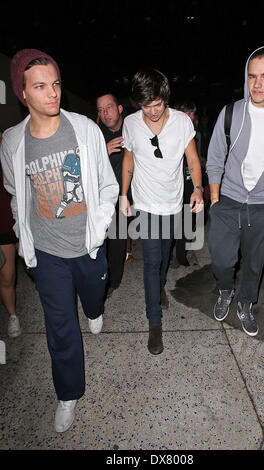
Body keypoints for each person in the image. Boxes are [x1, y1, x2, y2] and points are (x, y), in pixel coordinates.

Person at [0, 49, 119, 432]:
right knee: (60, 326)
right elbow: (18, 194)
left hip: (86, 243)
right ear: (23, 93)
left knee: (94, 294)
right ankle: (68, 393)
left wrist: (98, 230)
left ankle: (95, 307)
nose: (52, 93)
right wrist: (23, 236)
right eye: (40, 86)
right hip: (48, 251)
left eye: (56, 84)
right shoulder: (13, 143)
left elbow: (106, 185)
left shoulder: (84, 129)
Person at [206, 46, 264, 337]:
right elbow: (214, 159)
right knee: (221, 259)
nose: (257, 84)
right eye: (251, 76)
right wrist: (214, 201)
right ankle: (225, 290)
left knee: (255, 264)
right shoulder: (232, 112)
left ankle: (245, 303)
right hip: (228, 201)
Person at [121, 68, 204, 355]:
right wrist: (124, 194)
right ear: (138, 103)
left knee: (164, 255)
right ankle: (154, 323)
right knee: (151, 261)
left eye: (157, 105)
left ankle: (159, 289)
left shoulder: (181, 122)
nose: (153, 111)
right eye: (146, 106)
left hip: (173, 203)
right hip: (145, 203)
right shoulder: (131, 124)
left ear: (165, 99)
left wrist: (197, 188)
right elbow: (128, 159)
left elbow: (192, 159)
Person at [96, 93, 133, 297]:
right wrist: (103, 151)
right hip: (110, 196)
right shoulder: (96, 135)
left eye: (109, 107)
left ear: (119, 108)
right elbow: (85, 167)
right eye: (101, 110)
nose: (105, 113)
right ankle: (112, 281)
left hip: (139, 191)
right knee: (113, 237)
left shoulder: (133, 126)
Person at [173, 100, 203, 266]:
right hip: (175, 184)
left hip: (191, 184)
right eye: (187, 113)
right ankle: (170, 253)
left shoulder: (196, 135)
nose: (190, 116)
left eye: (192, 113)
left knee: (187, 218)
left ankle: (181, 255)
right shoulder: (174, 133)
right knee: (173, 219)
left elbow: (199, 158)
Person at [0, 131, 21, 338]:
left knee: (35, 267)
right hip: (2, 225)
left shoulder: (10, 143)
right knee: (7, 276)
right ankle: (12, 316)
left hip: (20, 218)